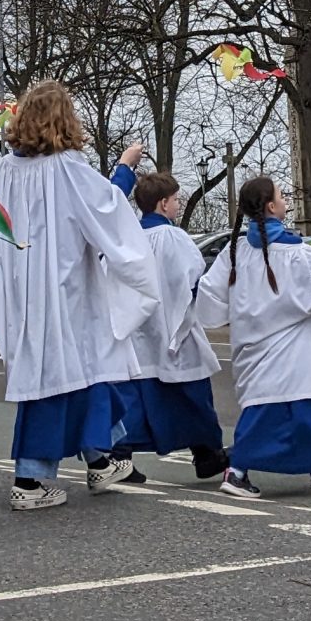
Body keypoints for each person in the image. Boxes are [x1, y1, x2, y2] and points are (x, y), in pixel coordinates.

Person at [0, 81, 158, 511]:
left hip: (25, 288)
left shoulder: (3, 172)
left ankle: (99, 459)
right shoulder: (69, 168)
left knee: (79, 371)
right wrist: (126, 167)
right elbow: (105, 211)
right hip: (67, 288)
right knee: (62, 376)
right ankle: (30, 480)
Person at [193, 175, 311, 498]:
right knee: (286, 407)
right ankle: (237, 470)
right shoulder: (296, 252)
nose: (286, 201)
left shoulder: (235, 251)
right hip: (294, 344)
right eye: (282, 196)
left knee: (288, 406)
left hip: (252, 344)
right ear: (271, 206)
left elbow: (211, 297)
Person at [111, 171, 227, 482]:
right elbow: (189, 276)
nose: (177, 205)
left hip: (138, 330)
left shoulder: (128, 238)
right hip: (173, 326)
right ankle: (206, 452)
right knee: (192, 394)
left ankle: (120, 457)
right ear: (163, 204)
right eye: (176, 200)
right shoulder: (173, 237)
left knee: (137, 398)